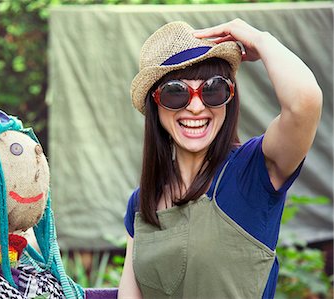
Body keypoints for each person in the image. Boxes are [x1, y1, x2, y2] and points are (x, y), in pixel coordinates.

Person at [118, 19, 322, 299]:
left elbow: (304, 103)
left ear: (229, 98)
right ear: (156, 104)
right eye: (176, 93)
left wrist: (261, 40)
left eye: (213, 89)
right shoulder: (142, 202)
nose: (196, 106)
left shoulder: (253, 172)